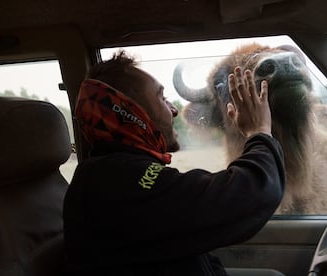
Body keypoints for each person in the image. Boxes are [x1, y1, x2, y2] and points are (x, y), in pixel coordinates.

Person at [63, 50, 285, 275]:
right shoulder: (115, 184)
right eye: (162, 97)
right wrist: (259, 131)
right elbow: (251, 194)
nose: (174, 110)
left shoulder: (110, 174)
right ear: (131, 112)